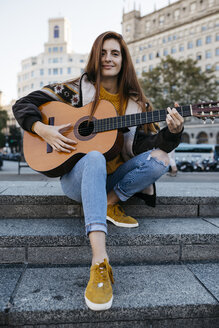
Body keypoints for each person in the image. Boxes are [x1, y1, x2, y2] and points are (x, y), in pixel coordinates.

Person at [12, 31, 184, 311]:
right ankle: (99, 262)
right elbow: (22, 105)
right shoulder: (73, 89)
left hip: (113, 179)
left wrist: (173, 132)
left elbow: (148, 146)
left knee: (161, 158)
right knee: (92, 156)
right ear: (95, 56)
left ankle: (109, 202)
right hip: (77, 179)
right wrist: (44, 130)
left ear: (123, 59)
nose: (108, 58)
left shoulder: (137, 104)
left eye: (115, 53)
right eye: (103, 52)